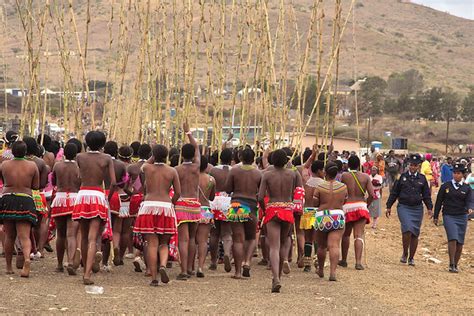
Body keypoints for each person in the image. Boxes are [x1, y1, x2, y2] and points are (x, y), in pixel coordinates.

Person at [133, 144, 181, 286]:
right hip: (165, 206)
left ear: (153, 155)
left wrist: (153, 157)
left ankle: (154, 277)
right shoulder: (172, 171)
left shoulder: (147, 168)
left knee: (151, 244)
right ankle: (163, 265)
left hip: (148, 206)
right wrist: (171, 203)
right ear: (166, 156)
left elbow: (142, 167)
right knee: (164, 243)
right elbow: (178, 192)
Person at [73, 131, 116, 285]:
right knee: (93, 238)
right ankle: (87, 274)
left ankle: (85, 269)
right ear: (102, 144)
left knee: (83, 236)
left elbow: (78, 177)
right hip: (98, 196)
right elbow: (113, 182)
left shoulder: (80, 157)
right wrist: (107, 198)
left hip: (83, 195)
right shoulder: (106, 158)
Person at [258, 149, 296, 293]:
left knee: (274, 247)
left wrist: (265, 209)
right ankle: (278, 276)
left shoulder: (267, 174)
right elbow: (296, 192)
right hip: (287, 210)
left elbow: (260, 197)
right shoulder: (292, 174)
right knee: (283, 242)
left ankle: (276, 278)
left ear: (272, 160)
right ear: (286, 161)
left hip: (272, 210)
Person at [0, 141, 39, 277]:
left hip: (8, 199)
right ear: (26, 151)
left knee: (10, 236)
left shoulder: (4, 165)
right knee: (24, 236)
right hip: (25, 199)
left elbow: (3, 181)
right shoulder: (32, 165)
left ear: (12, 152)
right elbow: (36, 186)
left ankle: (9, 267)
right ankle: (27, 259)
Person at [386, 154, 433, 266]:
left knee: (415, 233)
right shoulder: (401, 177)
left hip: (417, 208)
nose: (413, 167)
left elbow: (426, 195)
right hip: (404, 207)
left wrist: (429, 208)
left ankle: (411, 257)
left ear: (418, 166)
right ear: (408, 165)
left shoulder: (422, 178)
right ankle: (404, 253)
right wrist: (389, 206)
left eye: (415, 165)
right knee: (407, 229)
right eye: (411, 165)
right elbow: (394, 192)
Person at [225, 147, 262, 279]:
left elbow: (228, 188)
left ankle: (238, 272)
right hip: (251, 205)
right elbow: (261, 193)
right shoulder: (258, 173)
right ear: (253, 159)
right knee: (251, 238)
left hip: (236, 205)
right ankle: (247, 262)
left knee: (238, 240)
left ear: (240, 158)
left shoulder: (234, 170)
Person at [433, 163, 472, 273]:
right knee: (453, 238)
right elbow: (439, 202)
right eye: (454, 173)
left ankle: (456, 264)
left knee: (460, 242)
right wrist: (436, 216)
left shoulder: (466, 187)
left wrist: (470, 208)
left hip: (462, 216)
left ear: (463, 175)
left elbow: (469, 201)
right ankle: (451, 263)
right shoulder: (446, 186)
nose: (456, 175)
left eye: (458, 173)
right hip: (449, 215)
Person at [174, 122, 201, 280]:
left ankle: (184, 270)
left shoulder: (176, 170)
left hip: (181, 205)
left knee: (183, 239)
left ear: (182, 155)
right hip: (195, 205)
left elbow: (176, 191)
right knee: (192, 238)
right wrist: (188, 133)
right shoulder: (197, 167)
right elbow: (196, 148)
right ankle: (190, 267)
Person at [313, 162, 347, 281]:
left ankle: (321, 270)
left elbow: (315, 203)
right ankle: (332, 273)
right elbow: (344, 201)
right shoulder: (343, 187)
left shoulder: (320, 187)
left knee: (322, 246)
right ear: (337, 173)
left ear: (325, 173)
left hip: (322, 216)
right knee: (334, 245)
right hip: (337, 216)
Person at [339, 155, 374, 270]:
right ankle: (358, 262)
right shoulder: (366, 177)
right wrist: (366, 205)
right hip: (361, 206)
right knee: (358, 235)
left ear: (348, 164)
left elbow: (341, 191)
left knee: (346, 235)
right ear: (359, 165)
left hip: (347, 207)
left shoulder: (344, 176)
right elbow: (372, 195)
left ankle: (344, 260)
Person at [51, 143, 81, 275]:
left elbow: (53, 182)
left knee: (60, 234)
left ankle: (59, 264)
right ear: (76, 154)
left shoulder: (57, 165)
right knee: (71, 234)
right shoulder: (78, 167)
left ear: (64, 153)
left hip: (60, 200)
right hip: (75, 199)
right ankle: (70, 261)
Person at [102, 141, 128, 268]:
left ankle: (102, 259)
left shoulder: (100, 162)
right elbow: (124, 183)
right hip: (116, 196)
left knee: (101, 229)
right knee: (116, 229)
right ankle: (116, 247)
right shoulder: (121, 165)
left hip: (102, 194)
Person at [23, 137, 49, 257]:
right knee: (42, 222)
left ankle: (27, 249)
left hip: (23, 194)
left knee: (24, 223)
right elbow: (42, 184)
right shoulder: (40, 162)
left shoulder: (18, 161)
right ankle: (40, 249)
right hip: (37, 194)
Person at [209, 148, 233, 271]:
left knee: (214, 233)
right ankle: (227, 253)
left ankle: (213, 260)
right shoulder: (234, 170)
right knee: (227, 232)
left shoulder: (213, 170)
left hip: (214, 201)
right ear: (231, 159)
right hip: (229, 201)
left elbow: (210, 185)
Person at [300, 160, 325, 272]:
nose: (324, 172)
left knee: (308, 239)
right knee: (317, 239)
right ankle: (317, 262)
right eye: (323, 170)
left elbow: (304, 168)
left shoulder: (306, 181)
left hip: (307, 211)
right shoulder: (323, 184)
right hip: (318, 212)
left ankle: (307, 265)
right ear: (319, 170)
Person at [196, 156, 215, 277]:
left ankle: (189, 267)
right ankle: (201, 267)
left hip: (193, 209)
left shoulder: (192, 178)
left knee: (191, 239)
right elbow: (212, 197)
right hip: (206, 210)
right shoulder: (211, 179)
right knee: (203, 240)